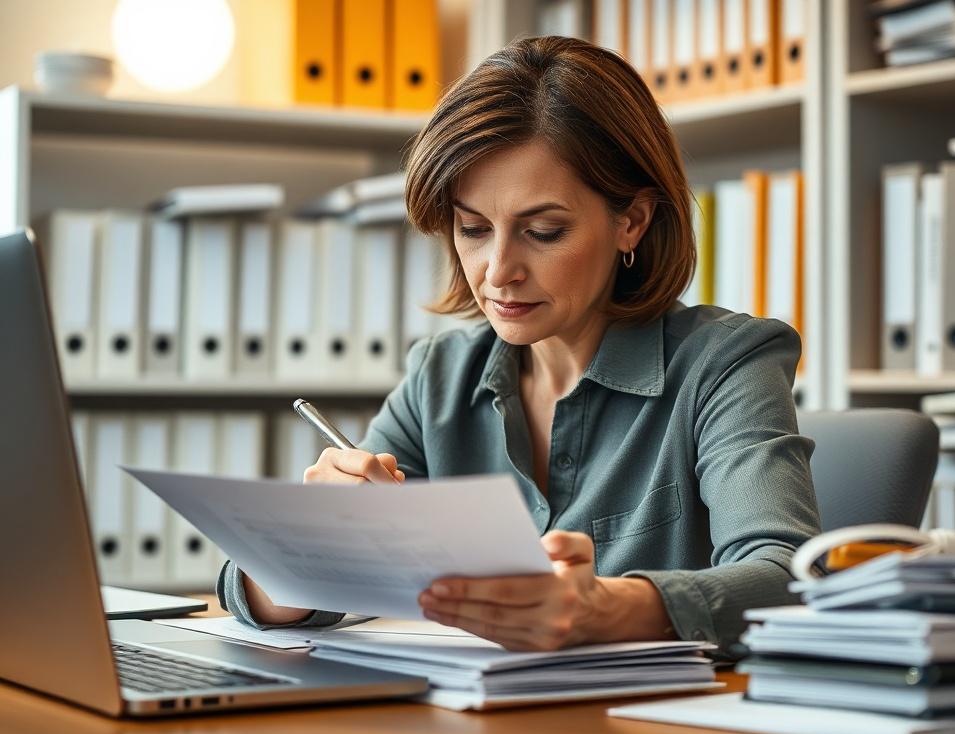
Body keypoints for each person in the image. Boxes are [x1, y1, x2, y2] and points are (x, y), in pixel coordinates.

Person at [218, 35, 820, 656]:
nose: (498, 270)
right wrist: (299, 559)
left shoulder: (725, 364)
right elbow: (284, 586)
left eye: (543, 231)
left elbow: (791, 575)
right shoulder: (441, 377)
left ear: (631, 221)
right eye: (472, 229)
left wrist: (605, 609)